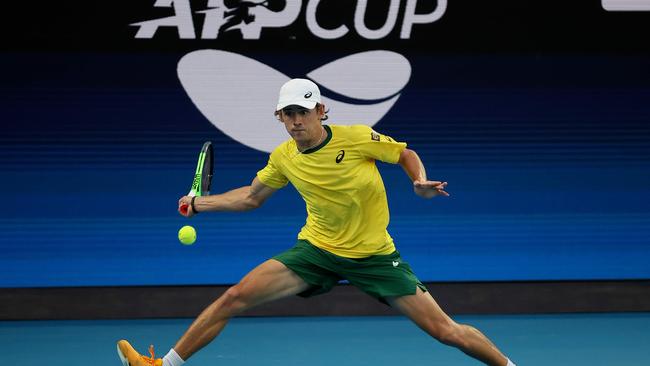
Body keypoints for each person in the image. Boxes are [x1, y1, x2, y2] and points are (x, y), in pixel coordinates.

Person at [117, 78, 517, 366]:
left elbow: (404, 153)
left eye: (303, 112)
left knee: (446, 331)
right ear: (280, 117)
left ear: (320, 111)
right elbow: (252, 196)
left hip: (374, 256)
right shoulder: (284, 157)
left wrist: (418, 182)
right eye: (288, 114)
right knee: (234, 297)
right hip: (317, 251)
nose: (295, 121)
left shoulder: (356, 138)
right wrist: (201, 204)